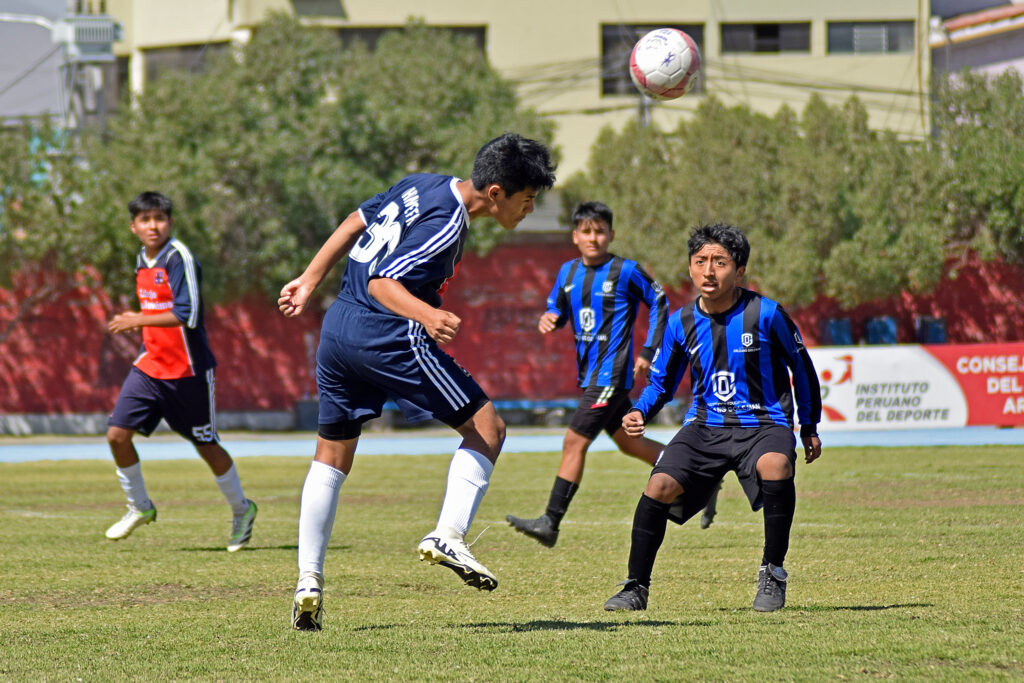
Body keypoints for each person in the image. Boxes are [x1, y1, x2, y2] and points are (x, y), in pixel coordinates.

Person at [278, 133, 556, 631]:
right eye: (527, 199)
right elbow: (384, 283)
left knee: (332, 455)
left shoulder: (420, 184)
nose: (530, 209)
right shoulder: (449, 224)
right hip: (383, 334)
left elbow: (351, 223)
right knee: (488, 427)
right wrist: (427, 314)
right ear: (496, 193)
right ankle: (449, 532)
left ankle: (308, 580)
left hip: (338, 328)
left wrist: (308, 278)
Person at [603, 223, 822, 613]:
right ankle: (636, 587)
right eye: (700, 261)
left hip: (764, 426)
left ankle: (773, 573)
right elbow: (661, 384)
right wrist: (640, 410)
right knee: (659, 485)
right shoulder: (680, 322)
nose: (708, 271)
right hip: (704, 427)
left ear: (739, 272)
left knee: (774, 466)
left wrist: (809, 426)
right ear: (689, 268)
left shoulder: (767, 314)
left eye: (720, 262)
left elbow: (802, 370)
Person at [505, 201, 675, 547]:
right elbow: (557, 307)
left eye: (600, 231)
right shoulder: (567, 273)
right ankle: (697, 479)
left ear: (611, 235)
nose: (594, 238)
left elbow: (659, 301)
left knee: (573, 442)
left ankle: (549, 522)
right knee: (630, 443)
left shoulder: (626, 271)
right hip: (592, 375)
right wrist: (550, 319)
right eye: (587, 231)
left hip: (609, 375)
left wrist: (648, 352)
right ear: (575, 236)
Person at [105, 191, 258, 552]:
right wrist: (142, 326)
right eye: (145, 220)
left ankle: (242, 509)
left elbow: (186, 314)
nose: (153, 225)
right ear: (134, 227)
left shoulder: (180, 258)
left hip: (188, 371)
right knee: (116, 435)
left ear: (170, 223)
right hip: (150, 366)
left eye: (159, 218)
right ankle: (139, 506)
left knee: (206, 445)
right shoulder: (141, 259)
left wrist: (137, 319)